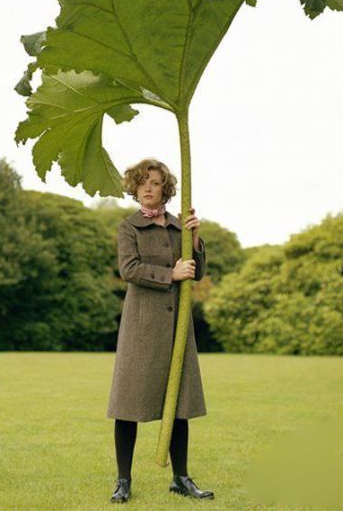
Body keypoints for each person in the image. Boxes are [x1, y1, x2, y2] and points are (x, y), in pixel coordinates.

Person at [107, 158, 215, 503]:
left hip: (177, 328)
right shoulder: (129, 227)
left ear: (165, 189)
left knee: (179, 404)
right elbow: (129, 269)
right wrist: (170, 274)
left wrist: (194, 238)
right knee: (128, 405)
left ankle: (180, 478)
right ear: (134, 188)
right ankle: (123, 481)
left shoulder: (179, 226)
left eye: (155, 182)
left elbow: (197, 272)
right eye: (142, 183)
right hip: (141, 327)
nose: (148, 188)